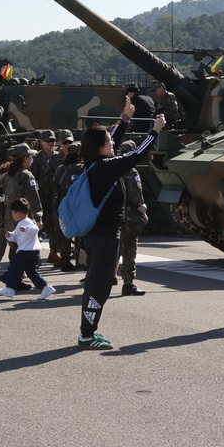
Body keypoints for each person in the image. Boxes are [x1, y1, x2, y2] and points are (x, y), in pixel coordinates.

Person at [75, 100, 165, 349]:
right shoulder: (105, 168)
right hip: (104, 239)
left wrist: (125, 118)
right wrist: (155, 130)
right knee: (99, 287)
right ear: (100, 147)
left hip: (98, 236)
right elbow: (136, 155)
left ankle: (88, 331)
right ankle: (86, 336)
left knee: (97, 284)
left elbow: (110, 140)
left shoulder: (95, 163)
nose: (113, 142)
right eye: (109, 141)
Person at [0, 144, 41, 283]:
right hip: (22, 218)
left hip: (9, 217)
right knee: (22, 249)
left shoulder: (8, 176)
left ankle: (16, 277)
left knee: (15, 247)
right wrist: (39, 217)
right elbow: (33, 199)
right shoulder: (26, 176)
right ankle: (14, 277)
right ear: (25, 158)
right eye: (30, 156)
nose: (31, 159)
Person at [0, 198, 56, 300]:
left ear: (18, 213)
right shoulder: (21, 223)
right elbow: (17, 236)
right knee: (32, 272)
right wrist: (10, 235)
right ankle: (45, 287)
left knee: (14, 267)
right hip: (31, 253)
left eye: (13, 213)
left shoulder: (27, 222)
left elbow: (35, 229)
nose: (12, 215)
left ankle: (10, 288)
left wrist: (26, 229)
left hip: (26, 252)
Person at [116, 139, 149, 296]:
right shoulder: (131, 172)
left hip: (113, 215)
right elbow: (135, 196)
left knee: (112, 249)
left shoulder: (112, 168)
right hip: (129, 216)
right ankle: (128, 284)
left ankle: (102, 279)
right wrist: (142, 211)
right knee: (129, 250)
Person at [46, 129, 76, 270]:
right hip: (58, 198)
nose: (67, 145)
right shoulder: (54, 159)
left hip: (74, 200)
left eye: (70, 142)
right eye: (64, 142)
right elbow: (47, 178)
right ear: (59, 143)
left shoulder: (76, 156)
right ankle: (55, 252)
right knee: (57, 228)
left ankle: (73, 254)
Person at [31, 130, 61, 264]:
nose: (51, 143)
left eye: (53, 140)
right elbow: (32, 177)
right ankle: (34, 255)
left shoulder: (59, 156)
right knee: (38, 226)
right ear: (41, 142)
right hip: (41, 197)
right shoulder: (37, 158)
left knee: (55, 226)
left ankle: (54, 252)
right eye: (48, 140)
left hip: (55, 197)